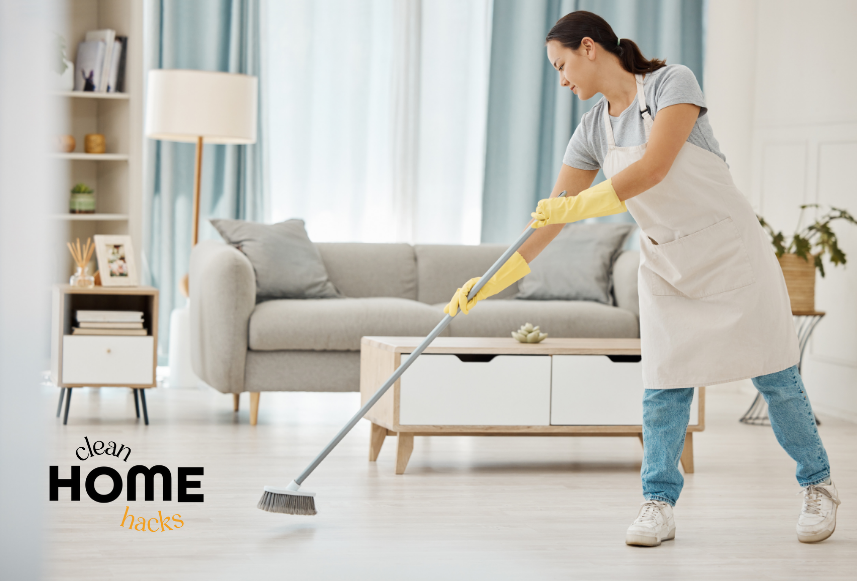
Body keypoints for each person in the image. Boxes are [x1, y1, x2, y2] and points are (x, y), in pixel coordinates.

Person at [444, 11, 839, 547]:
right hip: (667, 265)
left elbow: (653, 167)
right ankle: (657, 503)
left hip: (730, 252)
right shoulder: (591, 130)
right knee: (664, 387)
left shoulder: (672, 84)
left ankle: (818, 486)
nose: (562, 80)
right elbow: (552, 218)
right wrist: (489, 282)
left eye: (562, 66)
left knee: (775, 377)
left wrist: (580, 204)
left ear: (588, 48)